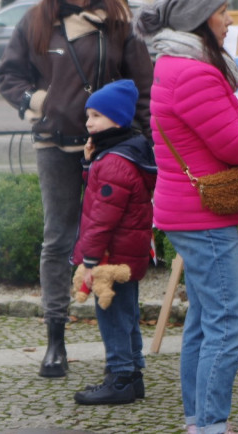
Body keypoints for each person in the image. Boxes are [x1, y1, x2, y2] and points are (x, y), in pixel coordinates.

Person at [0, 0, 153, 378]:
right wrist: (38, 101)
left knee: (114, 238)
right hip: (55, 142)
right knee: (58, 238)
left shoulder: (118, 19)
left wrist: (143, 139)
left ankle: (122, 350)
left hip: (113, 147)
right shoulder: (36, 21)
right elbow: (7, 73)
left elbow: (143, 82)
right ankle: (55, 339)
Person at [136, 0, 238, 434]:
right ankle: (211, 424)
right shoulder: (194, 71)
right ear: (199, 18)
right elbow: (236, 144)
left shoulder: (174, 64)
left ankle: (199, 419)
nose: (229, 18)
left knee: (203, 321)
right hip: (204, 218)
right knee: (232, 324)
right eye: (222, 10)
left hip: (189, 212)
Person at [69, 79, 156, 406]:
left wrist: (90, 260)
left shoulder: (115, 162)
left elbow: (101, 216)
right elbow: (102, 194)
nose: (88, 122)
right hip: (126, 255)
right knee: (126, 313)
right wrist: (90, 163)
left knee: (112, 314)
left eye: (96, 116)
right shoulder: (125, 153)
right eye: (88, 115)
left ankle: (120, 377)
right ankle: (132, 375)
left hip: (110, 257)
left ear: (117, 119)